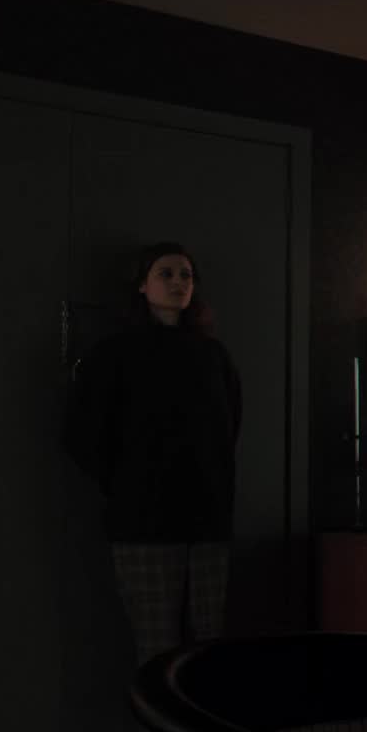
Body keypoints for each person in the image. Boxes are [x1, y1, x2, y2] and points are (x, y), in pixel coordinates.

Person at [65, 243, 242, 666]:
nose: (178, 282)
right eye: (166, 273)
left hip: (206, 520)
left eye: (186, 275)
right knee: (156, 646)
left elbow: (228, 428)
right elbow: (81, 434)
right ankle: (157, 715)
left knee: (208, 644)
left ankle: (198, 713)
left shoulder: (213, 355)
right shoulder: (115, 354)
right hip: (143, 522)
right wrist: (129, 484)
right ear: (142, 285)